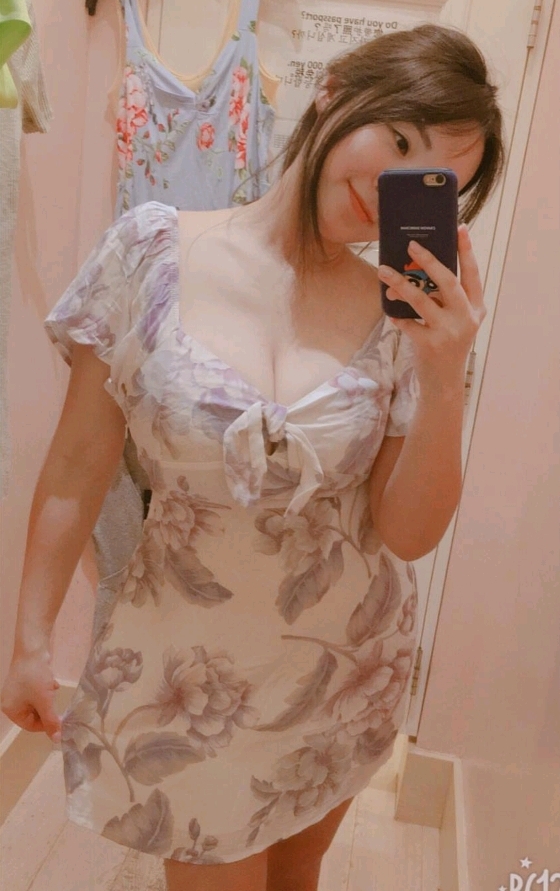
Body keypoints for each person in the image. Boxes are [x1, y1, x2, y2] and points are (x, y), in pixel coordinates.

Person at [1, 22, 503, 891]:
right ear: (335, 92)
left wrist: (444, 371)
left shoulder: (404, 321)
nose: (390, 189)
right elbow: (79, 461)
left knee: (296, 876)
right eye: (398, 142)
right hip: (191, 678)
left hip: (350, 666)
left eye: (431, 183)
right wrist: (32, 639)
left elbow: (408, 533)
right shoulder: (150, 251)